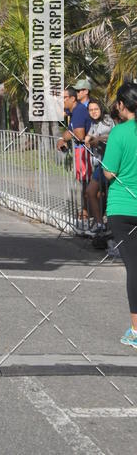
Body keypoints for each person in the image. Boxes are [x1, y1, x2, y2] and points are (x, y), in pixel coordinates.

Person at [102, 81, 137, 348]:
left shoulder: (119, 133)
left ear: (122, 105)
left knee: (134, 267)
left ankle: (136, 330)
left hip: (123, 208)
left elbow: (108, 172)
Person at [58, 86, 92, 223]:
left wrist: (65, 137)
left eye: (64, 98)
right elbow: (71, 129)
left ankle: (87, 213)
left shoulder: (79, 111)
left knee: (86, 183)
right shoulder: (73, 110)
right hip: (81, 151)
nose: (61, 100)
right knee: (83, 183)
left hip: (86, 152)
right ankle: (85, 211)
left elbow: (79, 134)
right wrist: (63, 138)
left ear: (72, 99)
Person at [84, 99, 114, 234]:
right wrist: (88, 138)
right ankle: (100, 223)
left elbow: (110, 136)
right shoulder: (94, 123)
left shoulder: (107, 120)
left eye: (96, 109)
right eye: (90, 110)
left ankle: (104, 225)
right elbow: (90, 135)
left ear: (101, 109)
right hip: (99, 163)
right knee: (95, 193)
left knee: (92, 191)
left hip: (108, 163)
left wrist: (98, 139)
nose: (93, 112)